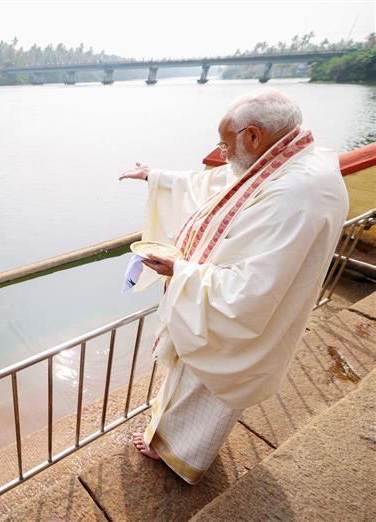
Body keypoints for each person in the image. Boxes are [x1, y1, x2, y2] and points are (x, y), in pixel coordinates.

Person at [117, 90, 348, 484]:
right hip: (258, 308)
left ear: (254, 136)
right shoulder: (290, 159)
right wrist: (157, 177)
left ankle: (180, 456)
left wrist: (181, 270)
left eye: (226, 143)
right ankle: (170, 438)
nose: (221, 153)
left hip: (238, 320)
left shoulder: (295, 193)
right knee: (196, 387)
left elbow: (250, 292)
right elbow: (221, 183)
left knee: (205, 387)